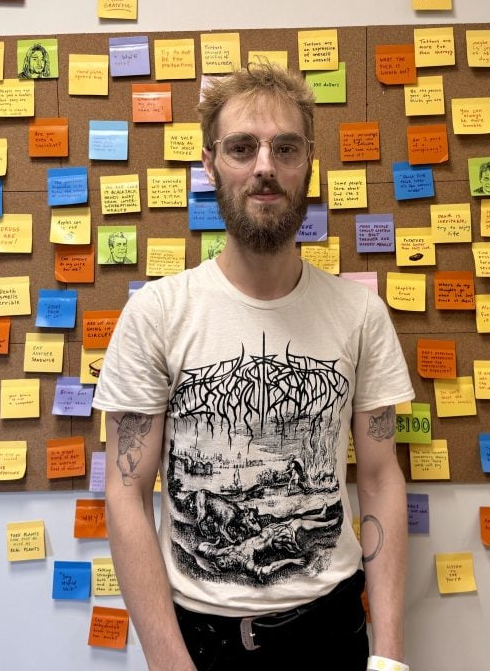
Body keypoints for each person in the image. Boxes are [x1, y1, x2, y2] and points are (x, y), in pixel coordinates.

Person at [94, 63, 414, 671]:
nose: (265, 165)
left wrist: (391, 654)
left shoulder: (359, 314)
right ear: (211, 163)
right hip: (199, 644)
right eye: (243, 147)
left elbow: (379, 478)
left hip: (334, 634)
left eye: (285, 147)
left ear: (308, 163)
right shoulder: (157, 315)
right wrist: (169, 662)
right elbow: (127, 493)